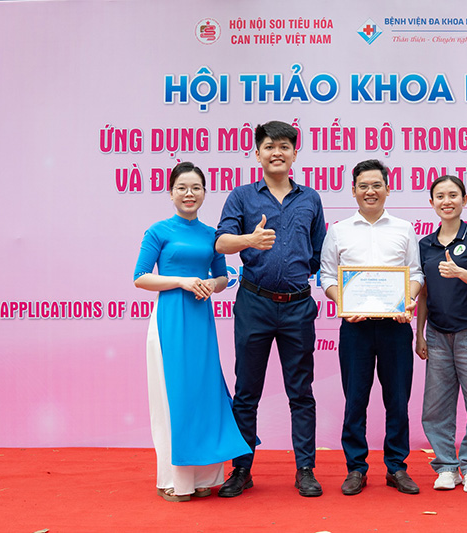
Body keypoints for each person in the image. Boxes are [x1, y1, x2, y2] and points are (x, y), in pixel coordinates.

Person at [215, 121, 326, 498]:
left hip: (297, 307)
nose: (276, 152)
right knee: (247, 391)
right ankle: (241, 469)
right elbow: (221, 242)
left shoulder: (310, 198)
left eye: (284, 146)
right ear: (257, 154)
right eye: (268, 146)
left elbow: (317, 252)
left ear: (295, 153)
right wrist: (250, 239)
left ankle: (305, 469)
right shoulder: (242, 196)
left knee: (301, 392)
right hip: (255, 304)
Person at [133, 161, 252, 502]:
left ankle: (204, 478)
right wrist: (181, 281)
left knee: (204, 393)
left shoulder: (211, 235)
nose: (189, 194)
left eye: (196, 188)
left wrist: (211, 284)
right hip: (170, 318)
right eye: (182, 188)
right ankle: (174, 479)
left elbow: (222, 277)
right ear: (171, 193)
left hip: (201, 319)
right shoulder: (158, 231)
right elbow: (140, 277)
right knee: (174, 395)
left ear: (204, 193)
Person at [321, 159, 423, 496]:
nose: (370, 191)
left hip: (396, 326)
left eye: (376, 185)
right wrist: (343, 302)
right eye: (363, 186)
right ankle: (356, 468)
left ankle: (396, 467)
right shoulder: (338, 231)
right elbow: (326, 276)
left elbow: (416, 273)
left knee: (398, 399)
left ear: (387, 189)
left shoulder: (404, 229)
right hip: (355, 328)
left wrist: (407, 300)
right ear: (353, 190)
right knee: (355, 400)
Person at [415, 175, 467, 493]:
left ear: (464, 199)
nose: (446, 201)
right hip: (437, 334)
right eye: (440, 196)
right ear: (431, 202)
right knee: (436, 407)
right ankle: (447, 467)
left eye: (453, 195)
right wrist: (420, 334)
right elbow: (423, 294)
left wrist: (459, 271)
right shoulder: (425, 245)